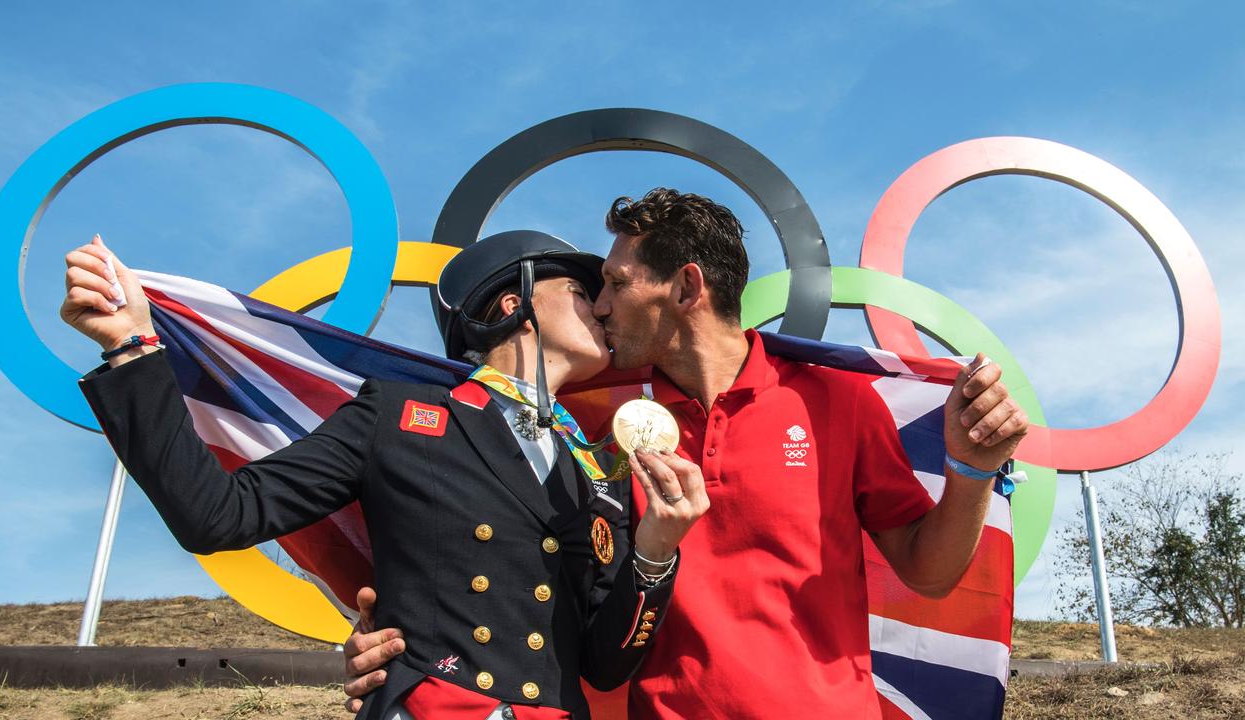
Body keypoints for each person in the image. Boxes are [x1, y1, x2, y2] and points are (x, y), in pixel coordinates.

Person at [343, 190, 1030, 719]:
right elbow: (498, 564)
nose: (599, 306)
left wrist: (969, 471)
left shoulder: (837, 402)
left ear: (687, 287)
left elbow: (929, 574)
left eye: (615, 283)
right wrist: (408, 645)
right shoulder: (588, 426)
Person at [61, 229, 710, 720]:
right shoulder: (399, 417)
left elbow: (607, 660)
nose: (601, 308)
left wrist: (654, 552)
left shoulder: (595, 469)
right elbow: (218, 513)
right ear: (516, 302)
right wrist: (132, 348)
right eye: (579, 291)